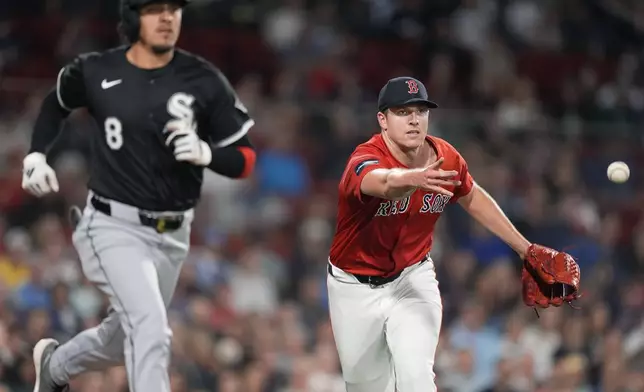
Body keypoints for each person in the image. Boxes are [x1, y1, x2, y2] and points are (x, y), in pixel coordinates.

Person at [22, 1, 256, 391]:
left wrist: (207, 153)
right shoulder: (98, 69)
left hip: (173, 235)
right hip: (112, 224)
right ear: (132, 16)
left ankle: (55, 366)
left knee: (123, 339)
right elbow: (55, 104)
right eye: (154, 8)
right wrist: (36, 154)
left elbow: (245, 159)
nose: (167, 18)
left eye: (174, 8)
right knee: (150, 326)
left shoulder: (203, 78)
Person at [326, 76, 534, 392]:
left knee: (415, 378)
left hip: (412, 279)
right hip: (353, 287)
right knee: (365, 386)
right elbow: (379, 181)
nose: (413, 120)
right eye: (402, 111)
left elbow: (472, 195)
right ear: (382, 119)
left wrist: (525, 249)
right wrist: (413, 177)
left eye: (420, 111)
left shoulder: (444, 156)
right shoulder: (366, 156)